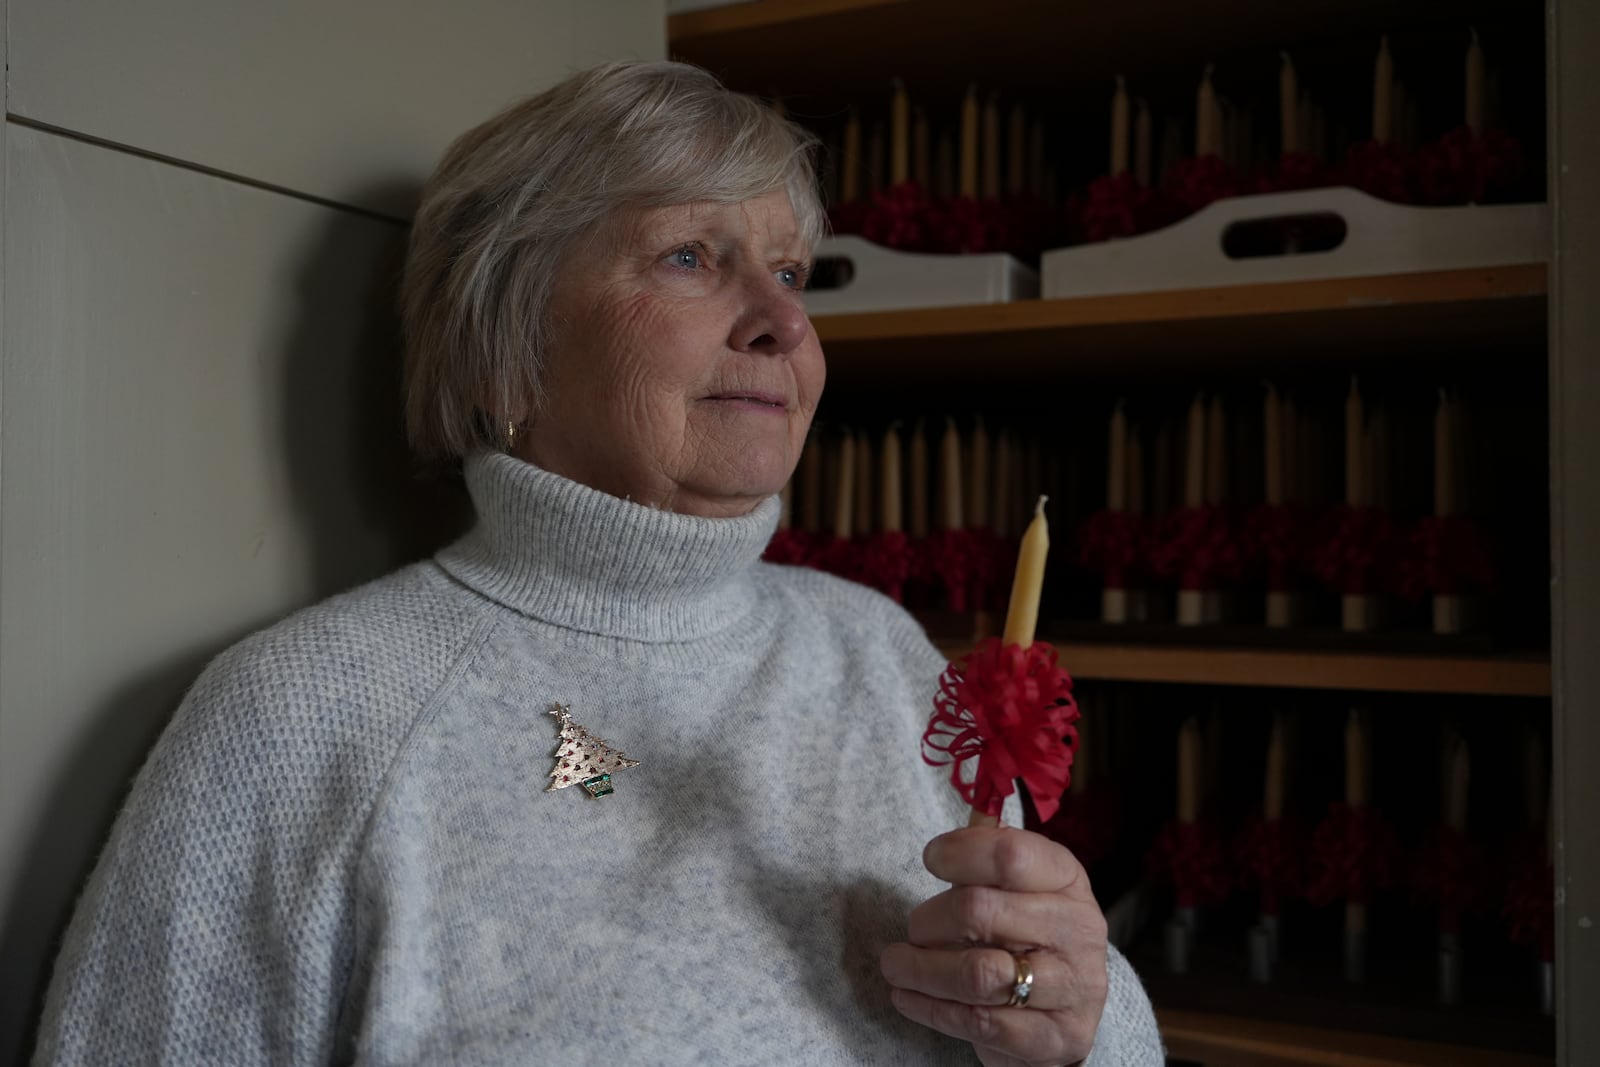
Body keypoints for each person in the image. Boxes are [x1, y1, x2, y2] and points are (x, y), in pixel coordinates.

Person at [34, 60, 1163, 1065]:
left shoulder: (882, 651)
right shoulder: (298, 720)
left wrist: (1080, 1022)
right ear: (507, 350)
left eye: (789, 271)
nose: (783, 320)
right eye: (689, 256)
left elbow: (1061, 1011)